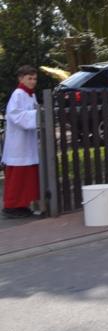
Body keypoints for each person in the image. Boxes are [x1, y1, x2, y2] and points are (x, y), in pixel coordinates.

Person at [1, 66, 40, 218]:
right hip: (18, 143)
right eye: (29, 78)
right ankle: (11, 206)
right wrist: (37, 114)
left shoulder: (31, 95)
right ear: (21, 79)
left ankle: (22, 204)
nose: (32, 82)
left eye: (34, 79)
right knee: (18, 177)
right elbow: (15, 115)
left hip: (27, 142)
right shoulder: (18, 94)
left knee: (27, 176)